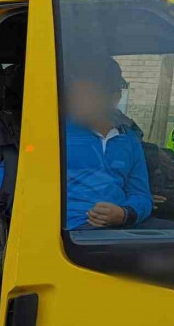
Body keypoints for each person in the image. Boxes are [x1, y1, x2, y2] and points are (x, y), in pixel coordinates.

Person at [64, 59, 153, 230]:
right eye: (74, 93)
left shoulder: (129, 140)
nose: (75, 101)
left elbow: (141, 194)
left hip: (118, 229)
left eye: (87, 94)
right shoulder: (57, 135)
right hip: (70, 233)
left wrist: (125, 213)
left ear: (114, 98)